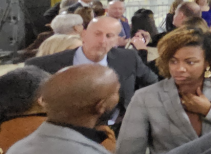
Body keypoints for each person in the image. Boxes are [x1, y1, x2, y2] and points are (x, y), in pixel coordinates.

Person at [27, 16, 158, 118]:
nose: (102, 41)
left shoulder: (128, 58)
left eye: (109, 36)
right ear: (83, 34)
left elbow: (152, 84)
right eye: (97, 34)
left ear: (117, 40)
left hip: (118, 129)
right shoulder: (43, 65)